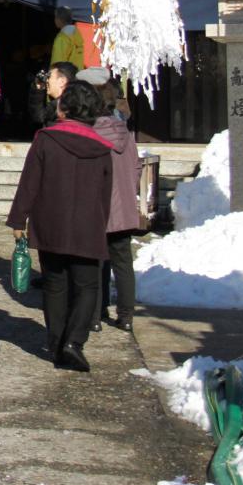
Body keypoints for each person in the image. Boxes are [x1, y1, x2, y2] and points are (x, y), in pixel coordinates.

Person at [5, 82, 114, 373]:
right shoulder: (102, 147)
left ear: (64, 107)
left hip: (51, 220)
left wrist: (19, 219)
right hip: (89, 224)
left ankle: (55, 343)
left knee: (55, 284)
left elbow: (30, 182)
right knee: (87, 285)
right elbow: (106, 192)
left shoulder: (46, 139)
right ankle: (74, 342)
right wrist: (101, 224)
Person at [80, 67, 140, 334]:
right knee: (123, 262)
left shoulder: (90, 134)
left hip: (98, 206)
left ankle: (95, 314)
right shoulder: (127, 134)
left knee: (96, 262)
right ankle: (126, 316)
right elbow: (136, 169)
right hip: (124, 207)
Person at [41, 60, 78, 126]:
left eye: (49, 77)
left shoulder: (66, 110)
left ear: (62, 82)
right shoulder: (74, 103)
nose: (46, 81)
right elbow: (39, 116)